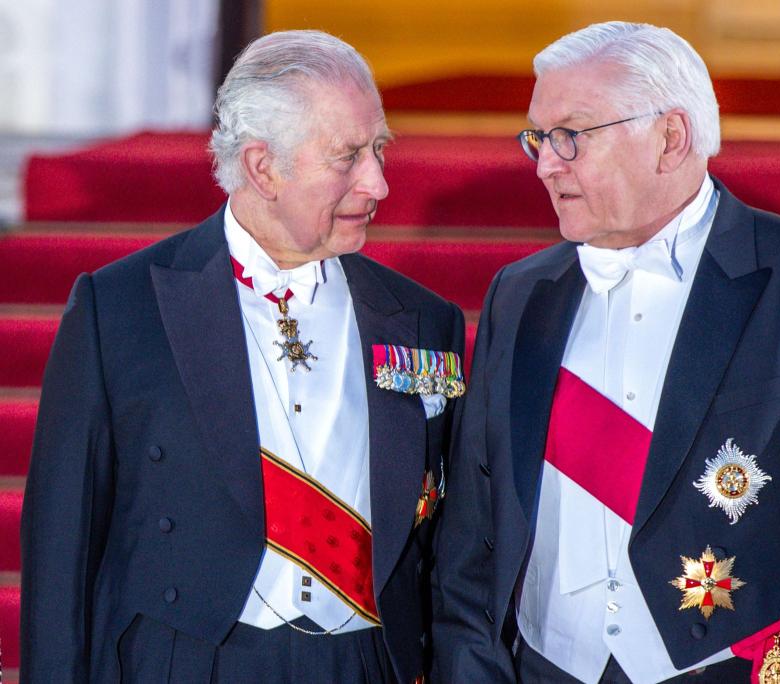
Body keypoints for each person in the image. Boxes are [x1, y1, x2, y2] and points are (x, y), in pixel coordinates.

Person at [432, 21, 780, 684]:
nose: (546, 163)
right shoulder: (521, 294)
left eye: (571, 135)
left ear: (670, 138)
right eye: (538, 140)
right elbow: (473, 539)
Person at [20, 30, 464, 683]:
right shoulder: (119, 309)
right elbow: (63, 546)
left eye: (380, 149)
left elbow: (450, 547)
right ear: (262, 166)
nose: (378, 183)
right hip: (190, 663)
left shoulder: (426, 321)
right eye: (347, 157)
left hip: (366, 664)